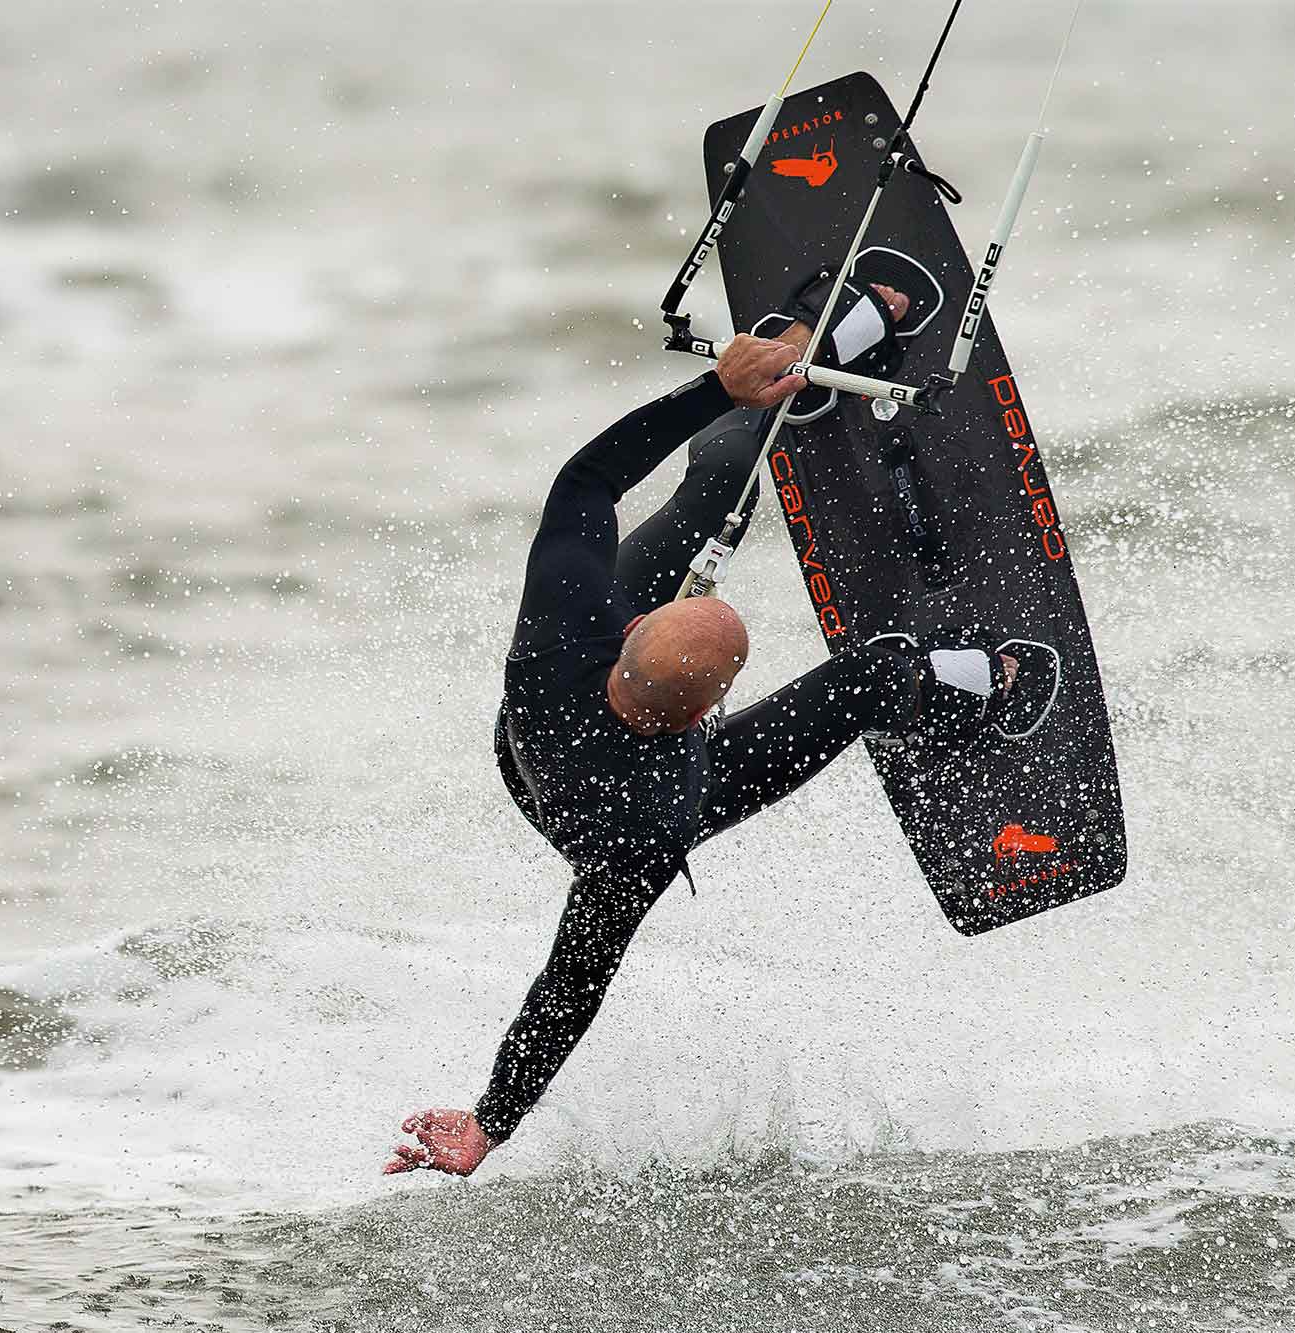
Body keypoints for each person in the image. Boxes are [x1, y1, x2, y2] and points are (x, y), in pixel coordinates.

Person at [385, 287, 1018, 1176]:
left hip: (547, 727)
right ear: (701, 713)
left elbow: (588, 479)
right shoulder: (645, 834)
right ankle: (991, 683)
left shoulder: (564, 621)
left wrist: (717, 392)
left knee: (716, 493)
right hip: (614, 798)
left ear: (634, 626)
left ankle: (798, 358)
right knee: (870, 678)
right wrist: (494, 1118)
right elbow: (570, 983)